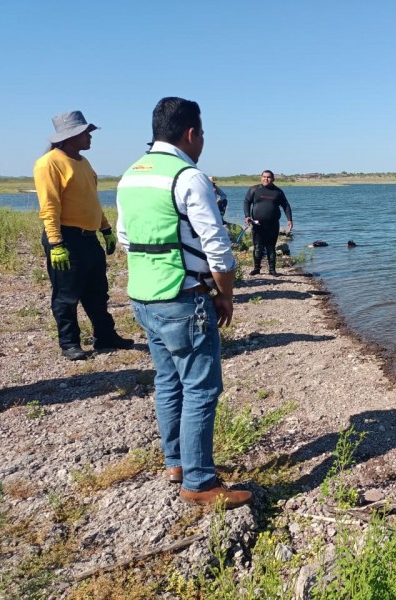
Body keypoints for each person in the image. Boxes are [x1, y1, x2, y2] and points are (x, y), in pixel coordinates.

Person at [116, 97, 251, 509]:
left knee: (167, 382)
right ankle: (199, 482)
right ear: (191, 133)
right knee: (201, 388)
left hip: (143, 297)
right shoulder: (188, 177)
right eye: (203, 134)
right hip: (183, 297)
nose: (203, 141)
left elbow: (124, 237)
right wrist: (225, 295)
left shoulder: (130, 176)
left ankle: (175, 462)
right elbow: (219, 249)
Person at [33, 110, 133, 361]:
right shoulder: (48, 163)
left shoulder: (83, 162)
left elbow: (91, 200)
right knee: (66, 295)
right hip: (66, 238)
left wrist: (106, 229)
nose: (90, 136)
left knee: (98, 291)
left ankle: (105, 336)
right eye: (86, 132)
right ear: (70, 136)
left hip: (89, 237)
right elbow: (49, 206)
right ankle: (69, 344)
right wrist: (56, 242)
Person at [243, 170, 293, 276]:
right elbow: (247, 202)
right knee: (258, 247)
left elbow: (286, 205)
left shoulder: (278, 192)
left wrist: (289, 219)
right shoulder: (254, 189)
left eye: (269, 177)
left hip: (273, 224)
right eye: (264, 177)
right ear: (261, 178)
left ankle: (272, 270)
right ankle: (256, 268)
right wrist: (247, 216)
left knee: (271, 247)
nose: (266, 179)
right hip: (257, 224)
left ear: (273, 179)